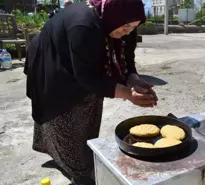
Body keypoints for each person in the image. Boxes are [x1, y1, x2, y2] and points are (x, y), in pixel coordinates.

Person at [24, 0, 157, 184]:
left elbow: (127, 58)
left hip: (80, 61)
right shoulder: (84, 24)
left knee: (91, 101)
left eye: (133, 27)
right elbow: (87, 77)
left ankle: (80, 153)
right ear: (115, 14)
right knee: (63, 111)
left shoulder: (122, 23)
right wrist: (128, 94)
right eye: (126, 26)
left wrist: (133, 79)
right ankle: (78, 172)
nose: (128, 32)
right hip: (52, 57)